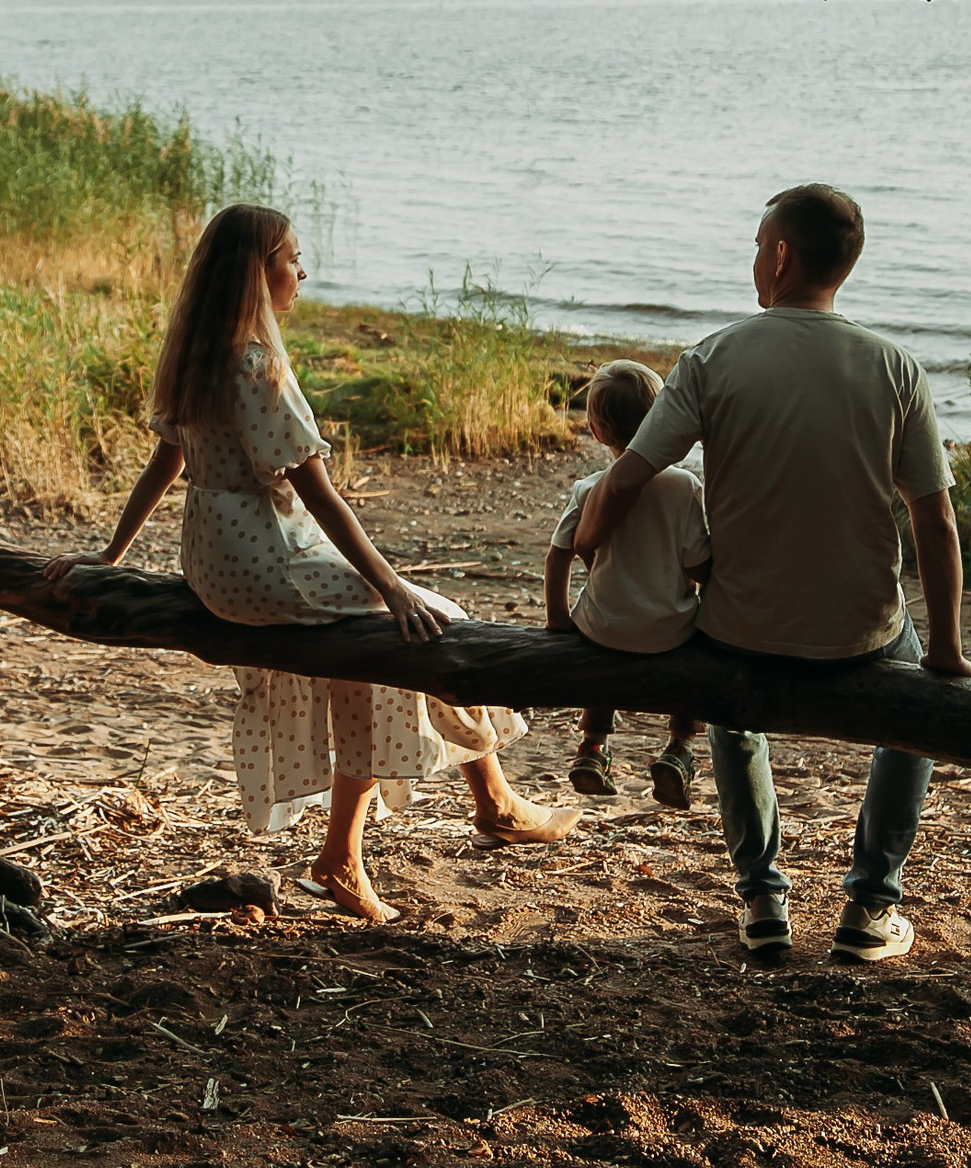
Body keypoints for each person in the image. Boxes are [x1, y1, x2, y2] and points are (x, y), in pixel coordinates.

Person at [43, 204, 578, 923]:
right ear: (258, 272)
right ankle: (455, 818)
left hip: (213, 561)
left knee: (375, 650)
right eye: (292, 258)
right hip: (269, 560)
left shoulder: (195, 352)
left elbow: (165, 463)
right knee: (428, 624)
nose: (303, 271)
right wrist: (390, 586)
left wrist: (113, 553)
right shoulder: (256, 365)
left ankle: (416, 832)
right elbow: (319, 496)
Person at [574, 183, 971, 965]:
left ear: (782, 254)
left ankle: (762, 899)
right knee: (917, 718)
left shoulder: (714, 357)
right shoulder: (895, 367)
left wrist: (585, 550)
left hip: (744, 632)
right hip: (863, 632)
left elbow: (626, 478)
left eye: (758, 245)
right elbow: (934, 520)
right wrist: (946, 650)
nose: (755, 258)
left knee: (732, 711)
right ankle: (869, 907)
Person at [544, 359, 711, 807]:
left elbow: (558, 556)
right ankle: (679, 747)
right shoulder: (683, 486)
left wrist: (559, 620)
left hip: (602, 626)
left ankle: (592, 748)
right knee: (699, 660)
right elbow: (698, 564)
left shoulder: (587, 489)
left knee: (603, 659)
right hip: (670, 631)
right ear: (662, 422)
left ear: (596, 432)